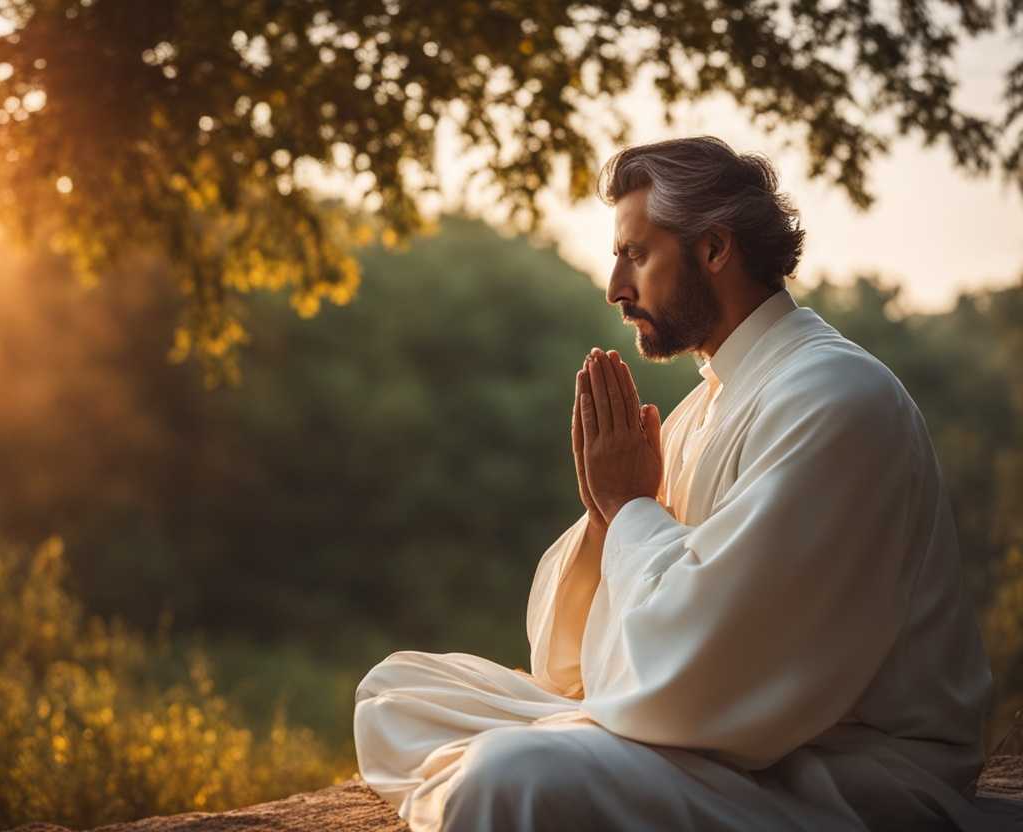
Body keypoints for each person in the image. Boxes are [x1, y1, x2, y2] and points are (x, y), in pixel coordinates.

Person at [352, 136, 1021, 831]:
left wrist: (629, 503)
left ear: (714, 249)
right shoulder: (707, 404)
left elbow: (704, 676)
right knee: (396, 692)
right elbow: (564, 668)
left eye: (636, 255)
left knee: (509, 780)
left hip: (840, 769)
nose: (615, 287)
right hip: (709, 734)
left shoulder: (837, 397)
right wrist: (609, 516)